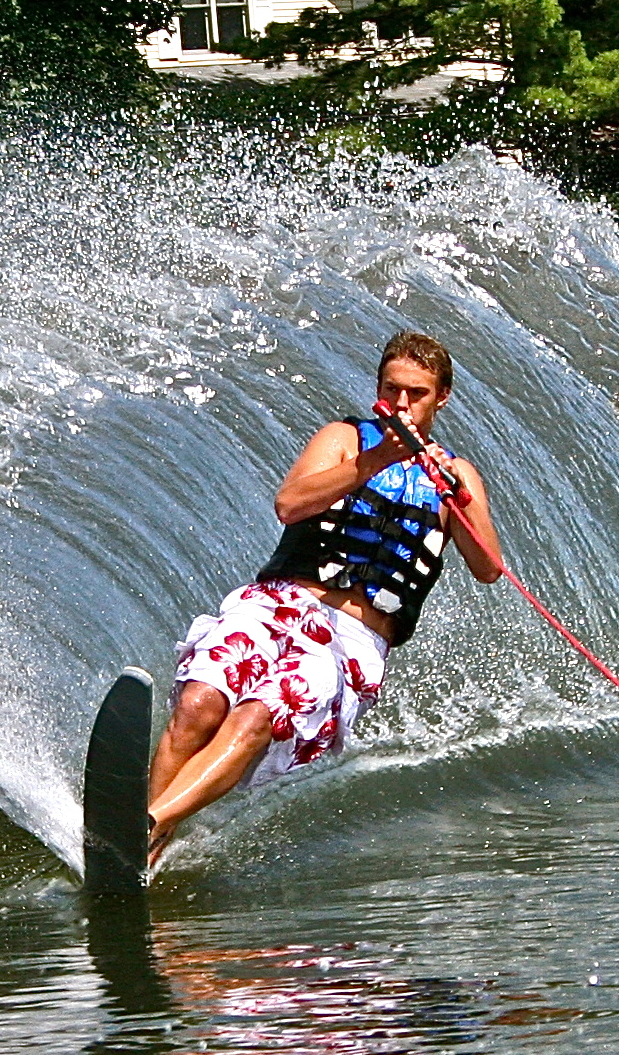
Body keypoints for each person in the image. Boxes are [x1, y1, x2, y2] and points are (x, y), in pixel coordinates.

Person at [146, 331, 507, 859]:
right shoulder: (345, 439)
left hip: (353, 639)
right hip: (279, 603)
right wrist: (377, 459)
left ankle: (146, 825)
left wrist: (461, 498)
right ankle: (145, 844)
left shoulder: (457, 474)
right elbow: (290, 504)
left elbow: (488, 569)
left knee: (258, 718)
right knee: (199, 703)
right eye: (392, 388)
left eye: (417, 393)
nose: (402, 402)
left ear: (442, 397)